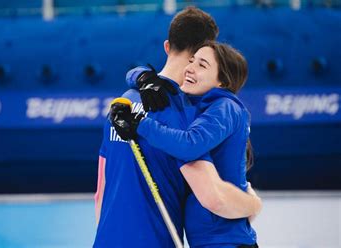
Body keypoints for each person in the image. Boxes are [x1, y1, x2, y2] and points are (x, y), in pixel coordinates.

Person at [94, 7, 261, 247]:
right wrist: (254, 203)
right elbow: (212, 196)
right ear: (203, 50)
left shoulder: (122, 104)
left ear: (167, 46)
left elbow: (100, 193)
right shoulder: (186, 114)